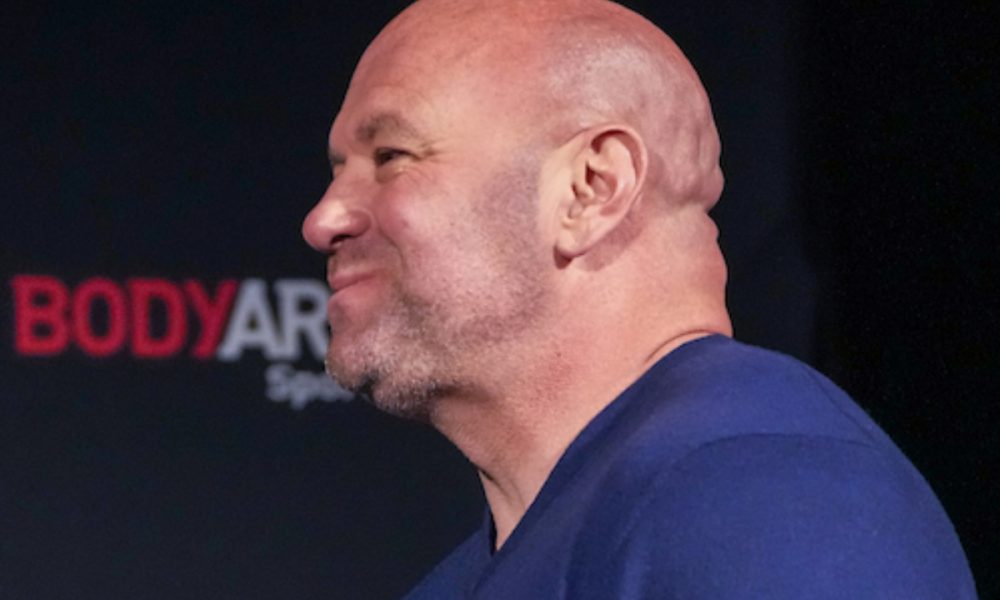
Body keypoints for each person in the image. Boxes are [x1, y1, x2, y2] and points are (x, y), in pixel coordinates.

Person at [302, 0, 976, 597]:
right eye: (338, 171)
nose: (323, 220)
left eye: (391, 156)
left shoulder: (769, 495)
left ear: (592, 187)